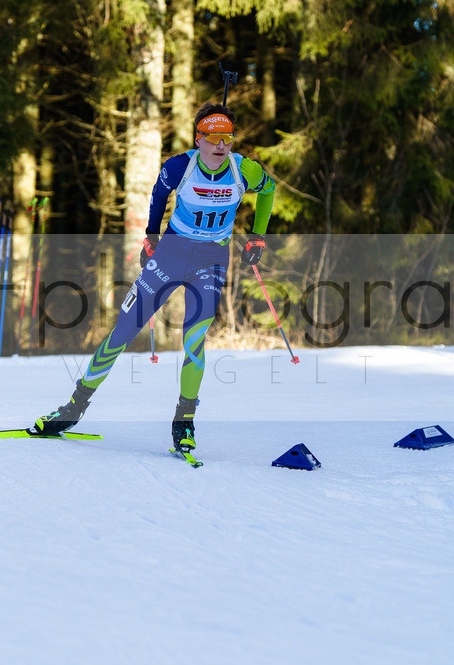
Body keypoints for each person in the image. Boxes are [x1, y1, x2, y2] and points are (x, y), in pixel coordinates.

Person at [31, 102, 276, 456]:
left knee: (194, 340)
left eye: (228, 138)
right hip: (172, 254)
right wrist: (152, 236)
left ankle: (184, 424)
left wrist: (257, 236)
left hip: (211, 259)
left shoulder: (244, 170)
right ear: (199, 140)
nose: (221, 145)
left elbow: (268, 191)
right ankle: (72, 409)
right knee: (123, 331)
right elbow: (159, 195)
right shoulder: (180, 166)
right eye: (213, 138)